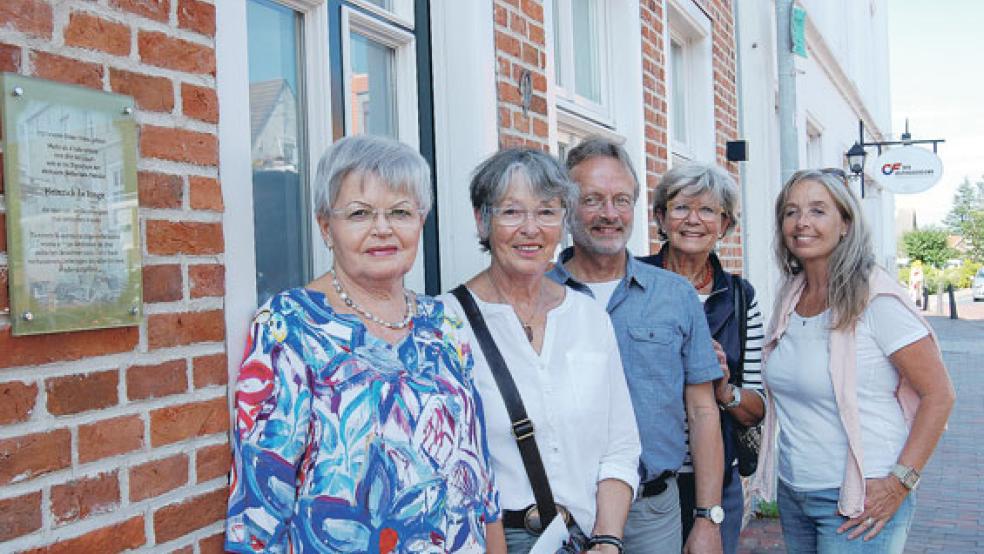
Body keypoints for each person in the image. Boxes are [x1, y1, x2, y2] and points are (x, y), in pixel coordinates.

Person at [225, 135, 499, 553]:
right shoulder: (289, 327)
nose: (383, 228)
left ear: (420, 222)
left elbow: (479, 474)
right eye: (360, 213)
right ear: (325, 226)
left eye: (400, 212)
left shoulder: (442, 324)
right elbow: (260, 506)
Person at [440, 147, 641, 553]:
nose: (531, 229)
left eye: (547, 212)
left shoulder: (588, 317)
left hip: (582, 540)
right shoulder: (446, 323)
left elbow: (620, 447)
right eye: (512, 212)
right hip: (488, 543)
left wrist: (607, 540)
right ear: (482, 220)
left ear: (563, 221)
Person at [749, 169, 956, 553]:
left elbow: (939, 396)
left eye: (817, 211)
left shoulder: (876, 300)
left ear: (845, 223)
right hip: (796, 492)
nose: (802, 223)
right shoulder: (792, 295)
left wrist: (900, 483)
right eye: (791, 212)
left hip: (862, 499)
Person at [547, 137, 724, 554]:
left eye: (621, 200)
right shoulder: (539, 295)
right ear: (566, 205)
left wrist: (707, 518)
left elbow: (702, 411)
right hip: (562, 514)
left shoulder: (675, 296)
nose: (609, 214)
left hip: (653, 514)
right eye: (592, 199)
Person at [638, 163, 766, 554]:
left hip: (715, 483)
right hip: (643, 481)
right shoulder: (632, 282)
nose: (693, 220)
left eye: (708, 210)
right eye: (680, 208)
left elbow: (756, 408)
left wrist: (724, 388)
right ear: (661, 217)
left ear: (724, 224)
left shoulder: (741, 297)